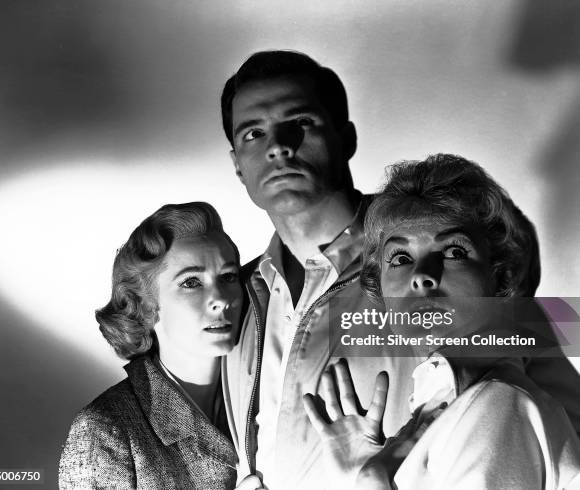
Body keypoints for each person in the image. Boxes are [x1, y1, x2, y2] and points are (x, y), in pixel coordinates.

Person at [304, 154, 580, 489]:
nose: (422, 276)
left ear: (500, 276)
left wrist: (371, 481)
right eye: (401, 258)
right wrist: (356, 475)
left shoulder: (498, 402)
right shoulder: (443, 405)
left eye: (453, 252)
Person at [220, 50, 422, 489]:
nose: (278, 146)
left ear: (346, 137)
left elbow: (547, 401)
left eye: (302, 122)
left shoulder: (431, 258)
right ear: (237, 162)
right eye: (253, 133)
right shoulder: (237, 294)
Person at [58, 203, 263, 490]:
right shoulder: (105, 429)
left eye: (228, 277)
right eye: (191, 282)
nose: (221, 298)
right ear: (146, 305)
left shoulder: (264, 392)